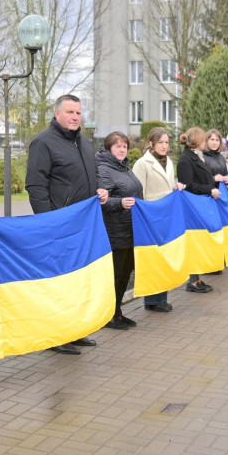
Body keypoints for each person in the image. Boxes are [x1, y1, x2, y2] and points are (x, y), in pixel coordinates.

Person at [26, 94, 108, 354]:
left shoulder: (84, 143)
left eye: (78, 112)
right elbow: (36, 186)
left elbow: (90, 177)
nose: (75, 117)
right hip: (58, 226)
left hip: (82, 226)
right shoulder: (43, 143)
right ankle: (56, 336)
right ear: (57, 113)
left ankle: (74, 330)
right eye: (70, 112)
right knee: (58, 283)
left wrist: (100, 190)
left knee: (78, 280)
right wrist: (49, 223)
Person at [96, 132, 144, 329]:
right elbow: (101, 201)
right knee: (115, 275)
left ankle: (117, 312)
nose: (122, 149)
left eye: (124, 145)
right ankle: (109, 316)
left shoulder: (125, 167)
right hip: (114, 230)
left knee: (125, 274)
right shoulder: (103, 169)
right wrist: (120, 203)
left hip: (130, 229)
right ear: (109, 149)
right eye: (117, 146)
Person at [132, 127, 183, 310]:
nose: (164, 146)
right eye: (160, 142)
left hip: (166, 215)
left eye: (167, 142)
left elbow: (168, 184)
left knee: (164, 256)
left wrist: (176, 186)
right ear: (151, 143)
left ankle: (161, 298)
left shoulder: (168, 161)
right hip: (151, 216)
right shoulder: (142, 164)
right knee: (153, 258)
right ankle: (152, 300)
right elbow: (139, 193)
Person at [176, 127, 222, 292]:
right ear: (196, 141)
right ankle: (192, 281)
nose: (206, 142)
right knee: (195, 242)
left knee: (200, 242)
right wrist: (209, 190)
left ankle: (197, 278)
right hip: (193, 208)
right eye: (203, 139)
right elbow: (188, 185)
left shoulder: (196, 156)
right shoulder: (185, 160)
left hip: (201, 205)